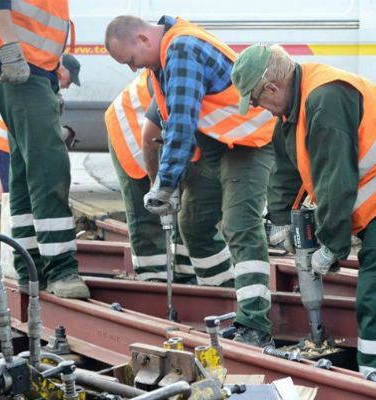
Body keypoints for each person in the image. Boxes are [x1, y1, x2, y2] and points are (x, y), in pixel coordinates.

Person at [231, 44, 376, 375]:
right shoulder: (292, 105)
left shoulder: (325, 99)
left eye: (256, 101)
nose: (258, 108)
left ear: (271, 88)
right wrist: (282, 221)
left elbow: (335, 182)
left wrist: (332, 245)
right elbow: (284, 168)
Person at [104, 15, 276, 346]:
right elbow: (171, 126)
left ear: (143, 39)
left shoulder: (181, 48)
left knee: (240, 224)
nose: (132, 68)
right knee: (193, 223)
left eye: (130, 60)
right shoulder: (162, 60)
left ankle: (256, 323)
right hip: (217, 144)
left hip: (248, 142)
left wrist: (164, 185)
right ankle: (227, 301)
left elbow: (180, 125)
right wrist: (168, 183)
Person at [0, 0, 90, 298]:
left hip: (32, 66)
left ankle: (30, 266)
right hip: (23, 65)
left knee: (24, 167)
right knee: (49, 166)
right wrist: (11, 48)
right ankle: (59, 269)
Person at [104, 68, 195, 282]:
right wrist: (159, 184)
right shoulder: (182, 84)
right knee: (147, 213)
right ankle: (153, 278)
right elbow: (152, 137)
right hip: (129, 127)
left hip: (160, 134)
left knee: (190, 209)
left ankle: (186, 275)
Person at [0, 53, 81, 198]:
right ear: (62, 71)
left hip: (7, 145)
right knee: (12, 197)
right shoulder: (43, 89)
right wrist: (66, 133)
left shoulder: (43, 83)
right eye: (70, 81)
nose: (68, 86)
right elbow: (42, 127)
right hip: (7, 146)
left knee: (12, 195)